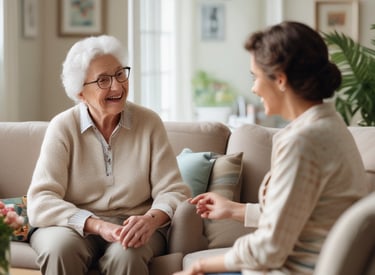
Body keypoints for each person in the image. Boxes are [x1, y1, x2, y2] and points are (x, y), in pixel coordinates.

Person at [173, 21, 368, 275]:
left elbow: (270, 248)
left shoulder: (302, 142)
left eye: (255, 77)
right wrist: (234, 209)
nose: (254, 88)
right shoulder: (330, 127)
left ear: (280, 79)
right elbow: (298, 216)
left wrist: (200, 265)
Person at [27, 35, 191, 275]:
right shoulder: (62, 127)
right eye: (103, 80)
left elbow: (174, 190)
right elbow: (41, 200)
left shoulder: (149, 123)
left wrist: (150, 220)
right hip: (73, 225)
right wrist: (95, 224)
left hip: (134, 225)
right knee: (59, 248)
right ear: (80, 93)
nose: (117, 86)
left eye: (120, 74)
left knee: (127, 256)